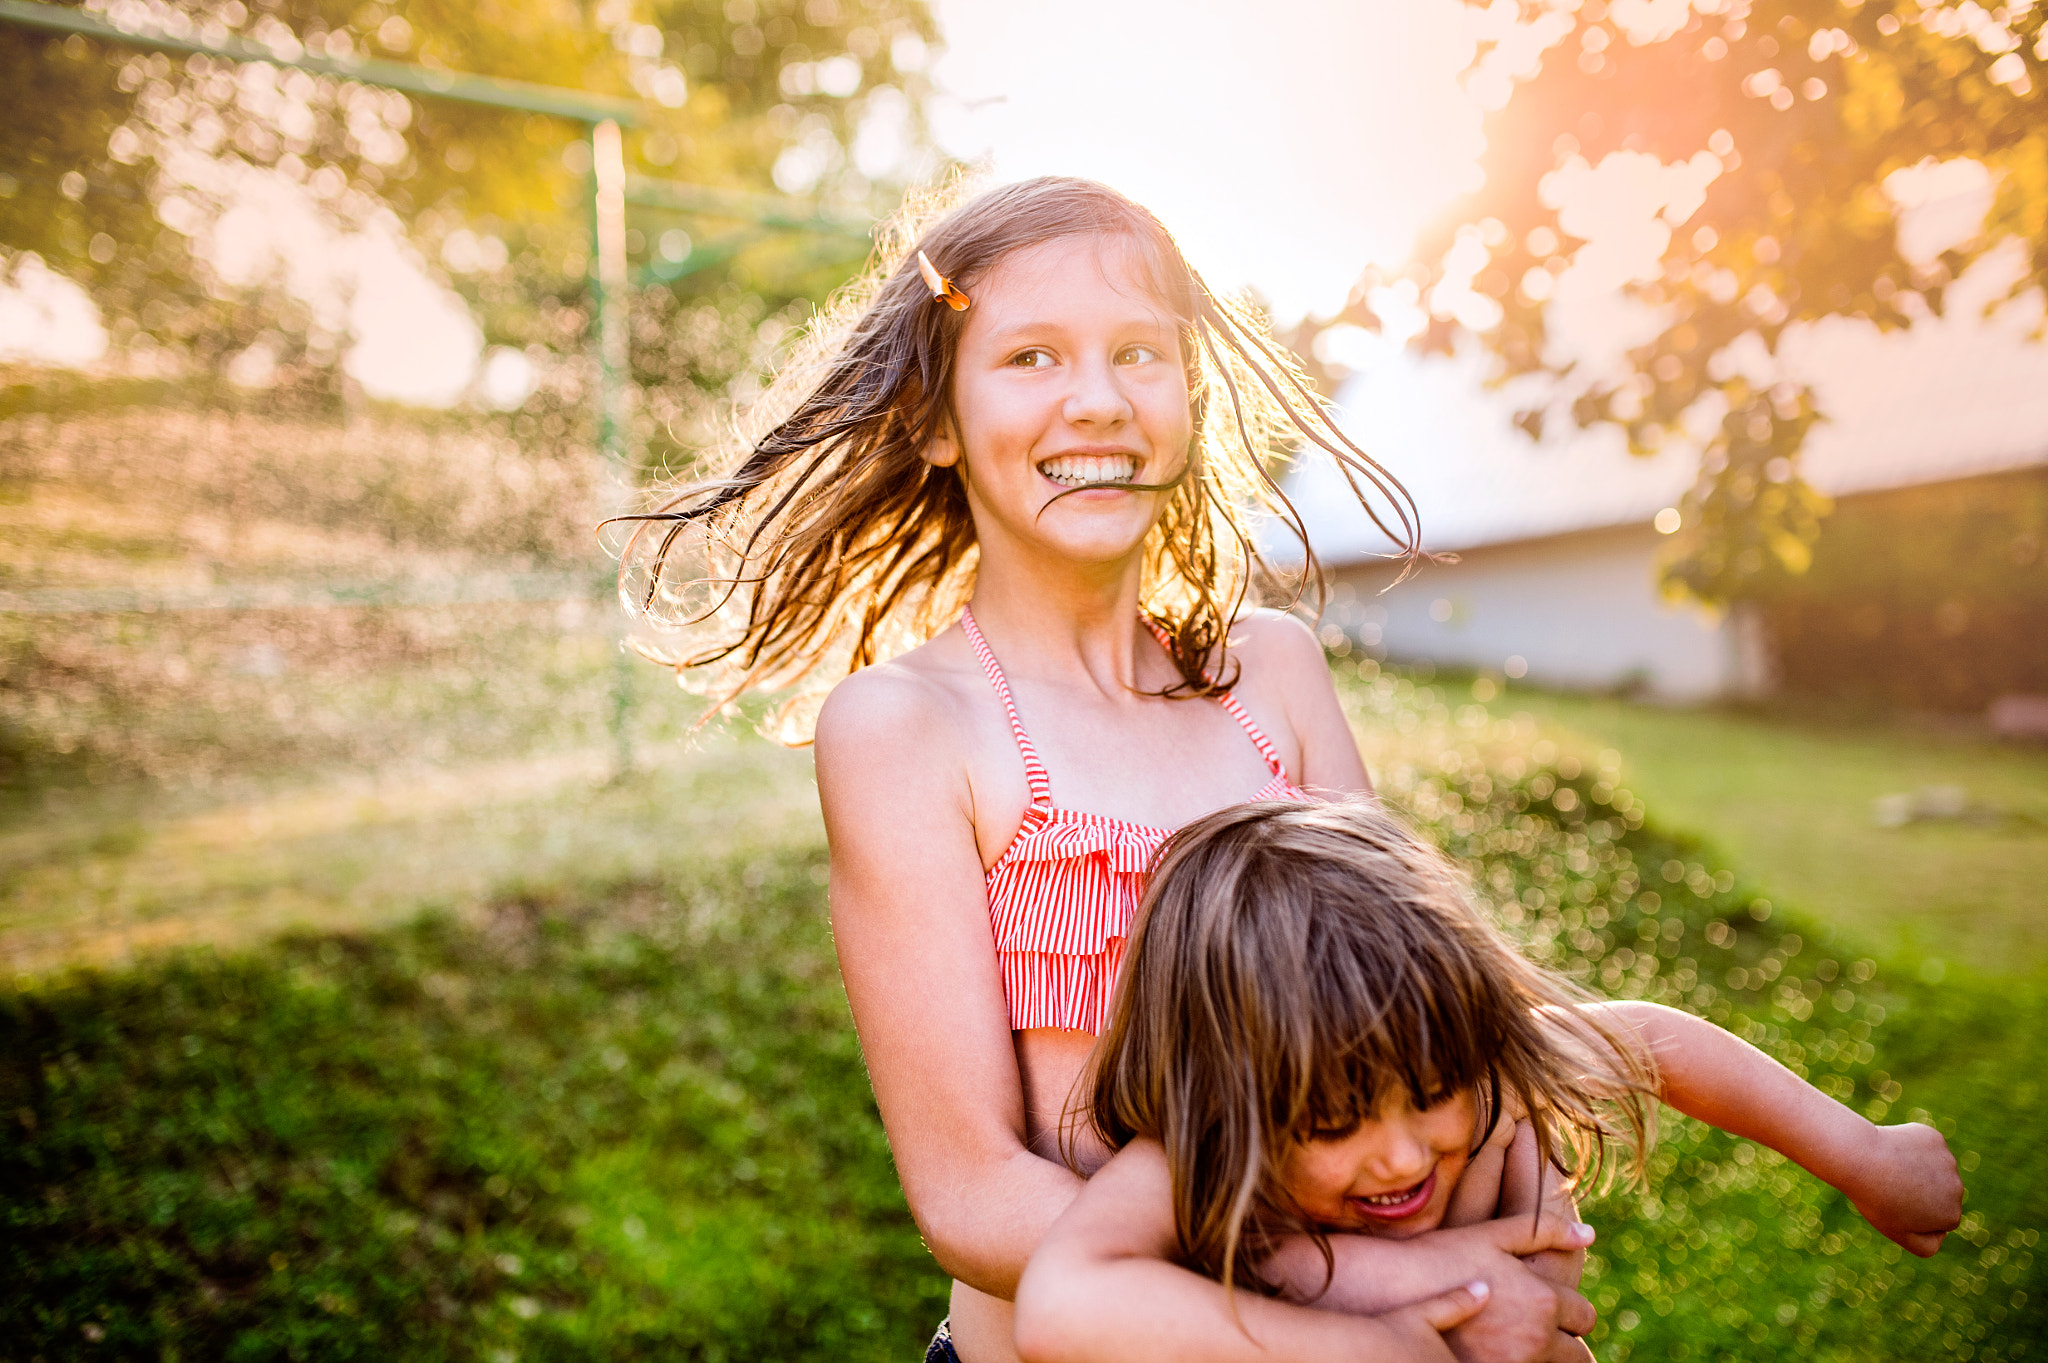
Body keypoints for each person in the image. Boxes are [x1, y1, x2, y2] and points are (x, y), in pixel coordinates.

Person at [617, 176, 1599, 1362]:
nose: (1097, 400)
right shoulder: (905, 729)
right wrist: (1372, 1278)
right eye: (1030, 357)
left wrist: (1518, 1228)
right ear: (935, 421)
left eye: (1139, 351)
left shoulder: (1273, 676)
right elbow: (972, 1198)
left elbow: (1423, 1021)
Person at [1013, 799, 1967, 1363]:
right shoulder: (1194, 1154)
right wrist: (1377, 1350)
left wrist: (1862, 1153)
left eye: (1429, 1092)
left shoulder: (1487, 1069)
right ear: (1221, 1096)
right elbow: (1062, 1301)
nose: (1402, 1151)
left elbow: (1654, 1043)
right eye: (1334, 1121)